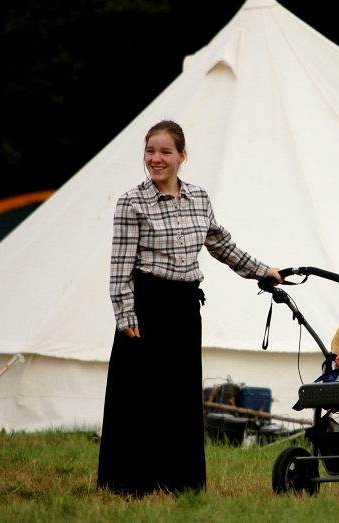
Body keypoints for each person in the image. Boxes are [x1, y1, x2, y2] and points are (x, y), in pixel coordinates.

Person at [97, 120, 282, 496]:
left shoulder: (198, 197)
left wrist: (264, 272)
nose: (156, 159)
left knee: (180, 397)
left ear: (182, 156)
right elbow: (120, 266)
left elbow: (222, 245)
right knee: (140, 398)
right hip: (146, 307)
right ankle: (130, 483)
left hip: (184, 307)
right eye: (150, 151)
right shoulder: (132, 202)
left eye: (165, 152)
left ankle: (180, 482)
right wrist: (125, 315)